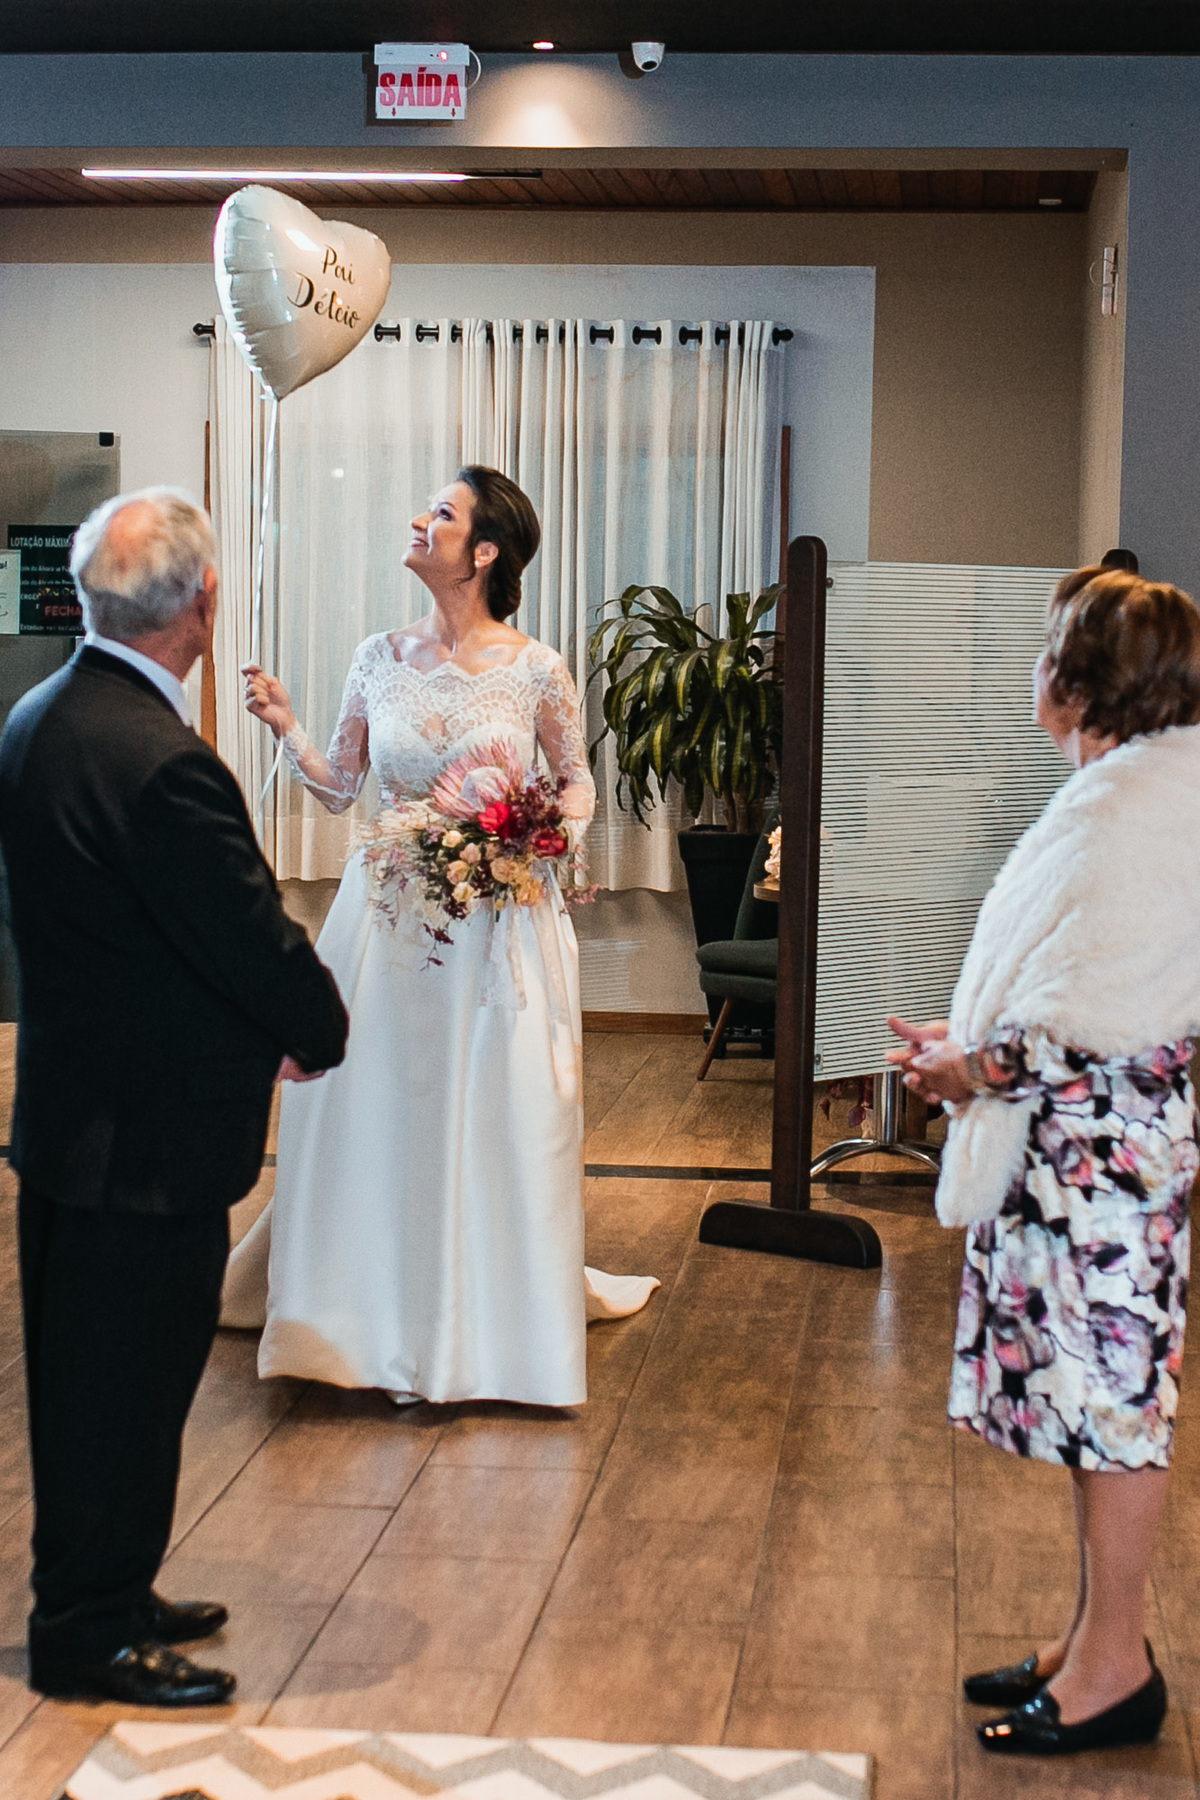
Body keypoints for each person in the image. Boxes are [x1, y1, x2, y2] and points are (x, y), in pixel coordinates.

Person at [0, 490, 348, 1706]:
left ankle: (108, 1586)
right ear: (202, 603)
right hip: (145, 1143)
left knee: (92, 1387)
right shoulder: (164, 765)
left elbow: (126, 939)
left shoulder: (39, 718)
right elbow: (247, 939)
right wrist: (308, 1031)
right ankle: (86, 1631)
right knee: (126, 1392)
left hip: (72, 1123)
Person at [224, 466, 657, 1404]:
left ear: (484, 551)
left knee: (490, 1105)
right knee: (372, 1102)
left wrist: (542, 836)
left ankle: (483, 1318)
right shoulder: (376, 657)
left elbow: (576, 780)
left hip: (496, 919)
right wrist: (288, 727)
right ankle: (358, 1311)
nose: (419, 520)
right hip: (384, 920)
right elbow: (342, 788)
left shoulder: (535, 668)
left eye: (443, 514)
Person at [889, 565, 1200, 1756]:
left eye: (1049, 650)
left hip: (1102, 1169)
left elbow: (1091, 1019)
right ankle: (1091, 1640)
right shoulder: (1136, 794)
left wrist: (968, 1067)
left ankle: (1115, 1667)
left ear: (1084, 682)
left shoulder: (1130, 813)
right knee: (1093, 1404)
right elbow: (1077, 988)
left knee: (1114, 1412)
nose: (1035, 669)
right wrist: (968, 1041)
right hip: (1095, 1155)